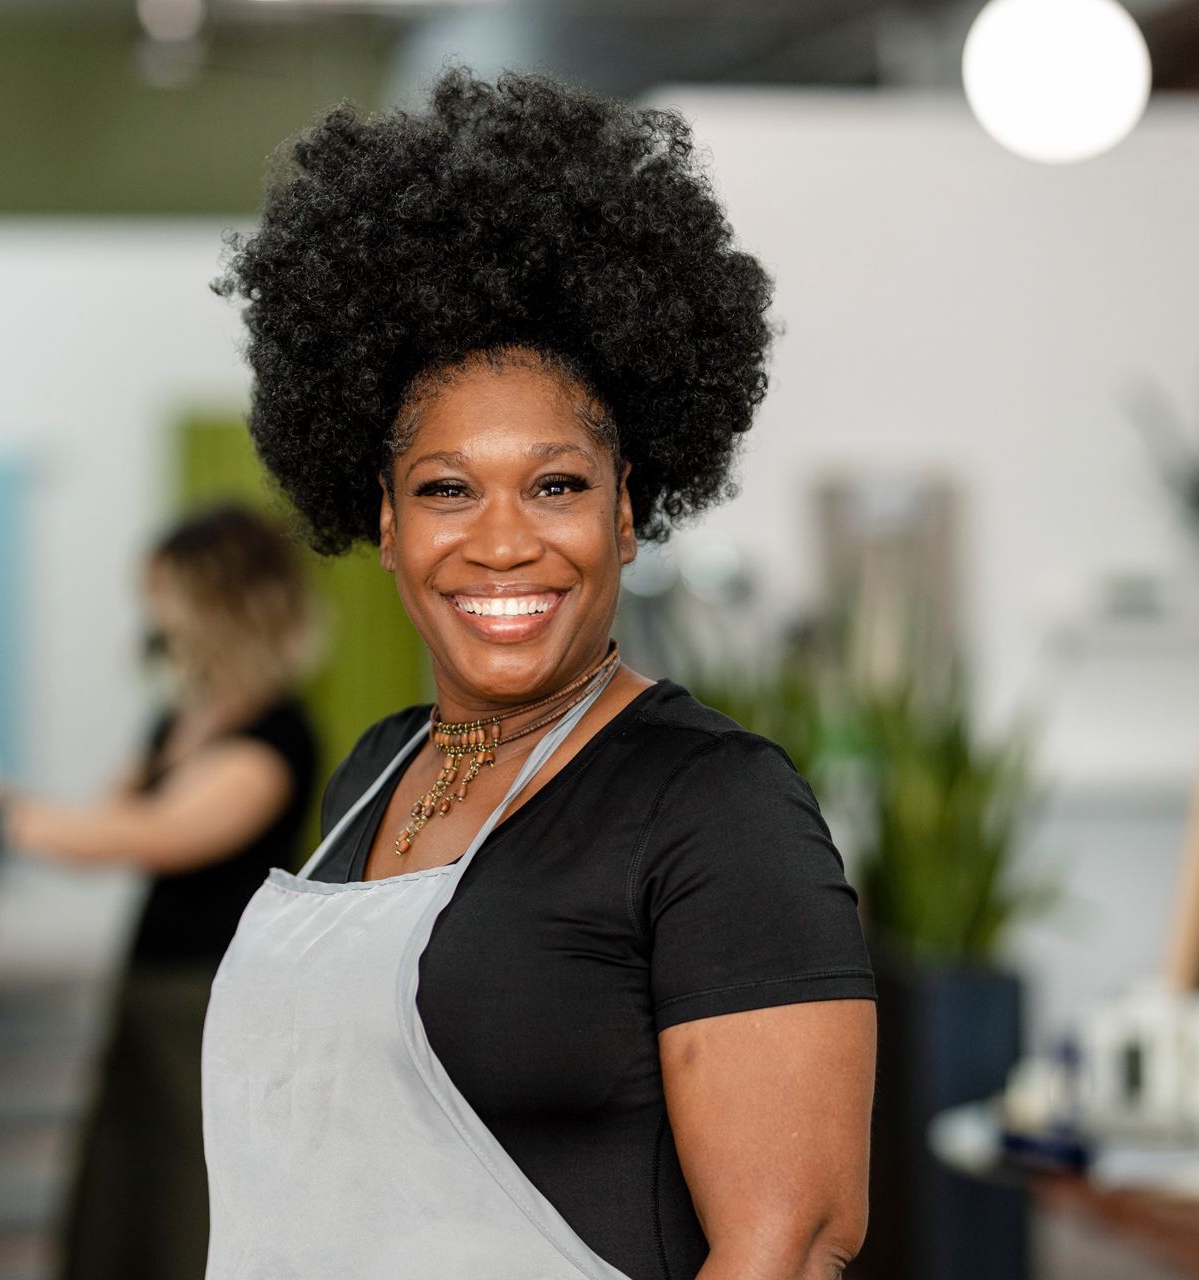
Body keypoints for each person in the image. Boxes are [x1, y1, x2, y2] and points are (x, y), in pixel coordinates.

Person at [200, 69, 877, 1280]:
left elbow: (790, 1241)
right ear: (388, 522)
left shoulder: (714, 805)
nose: (503, 541)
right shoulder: (374, 773)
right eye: (447, 488)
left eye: (556, 484)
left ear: (625, 513)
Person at [0, 504, 321, 1280]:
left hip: (212, 1001)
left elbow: (144, 836)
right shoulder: (180, 720)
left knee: (187, 1209)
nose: (152, 619)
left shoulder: (275, 741)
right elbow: (97, 821)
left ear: (218, 604)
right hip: (148, 985)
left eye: (164, 597)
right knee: (117, 1204)